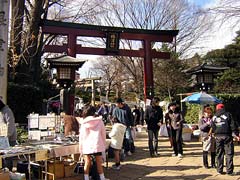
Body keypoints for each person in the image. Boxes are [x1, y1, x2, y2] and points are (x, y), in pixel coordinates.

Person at [78, 105, 109, 180]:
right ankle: (102, 178)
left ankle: (86, 178)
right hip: (97, 144)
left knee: (87, 162)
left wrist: (80, 149)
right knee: (99, 162)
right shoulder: (99, 121)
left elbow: (81, 137)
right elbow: (103, 134)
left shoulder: (83, 123)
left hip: (86, 145)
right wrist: (103, 144)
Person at [211, 103, 240, 175]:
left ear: (217, 108)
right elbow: (232, 125)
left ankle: (219, 170)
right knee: (229, 153)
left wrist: (216, 132)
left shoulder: (214, 116)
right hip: (227, 136)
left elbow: (212, 126)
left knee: (219, 153)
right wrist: (235, 134)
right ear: (223, 108)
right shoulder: (228, 114)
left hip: (218, 136)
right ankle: (229, 171)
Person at [0, 98, 17, 170]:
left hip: (9, 139)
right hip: (3, 138)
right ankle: (5, 173)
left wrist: (7, 136)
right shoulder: (1, 112)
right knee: (3, 157)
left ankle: (8, 173)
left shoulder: (7, 111)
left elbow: (10, 124)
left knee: (8, 157)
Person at [198, 104, 216, 169]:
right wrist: (207, 124)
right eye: (207, 113)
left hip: (213, 136)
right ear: (204, 113)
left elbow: (215, 127)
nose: (209, 114)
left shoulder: (213, 119)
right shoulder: (201, 120)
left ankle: (213, 163)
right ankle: (205, 164)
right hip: (205, 136)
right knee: (205, 150)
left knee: (213, 150)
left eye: (210, 113)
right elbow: (201, 128)